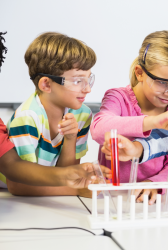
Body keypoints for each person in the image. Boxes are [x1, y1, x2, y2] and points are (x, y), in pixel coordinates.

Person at [91, 31, 168, 205]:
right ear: (140, 73)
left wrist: (156, 184)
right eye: (162, 82)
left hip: (151, 201)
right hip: (112, 201)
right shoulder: (118, 97)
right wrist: (155, 121)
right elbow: (98, 129)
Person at [0, 31, 111, 191]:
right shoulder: (27, 117)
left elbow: (68, 174)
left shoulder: (82, 114)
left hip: (47, 193)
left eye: (89, 79)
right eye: (78, 81)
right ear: (46, 84)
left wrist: (71, 138)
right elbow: (19, 185)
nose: (87, 89)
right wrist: (78, 190)